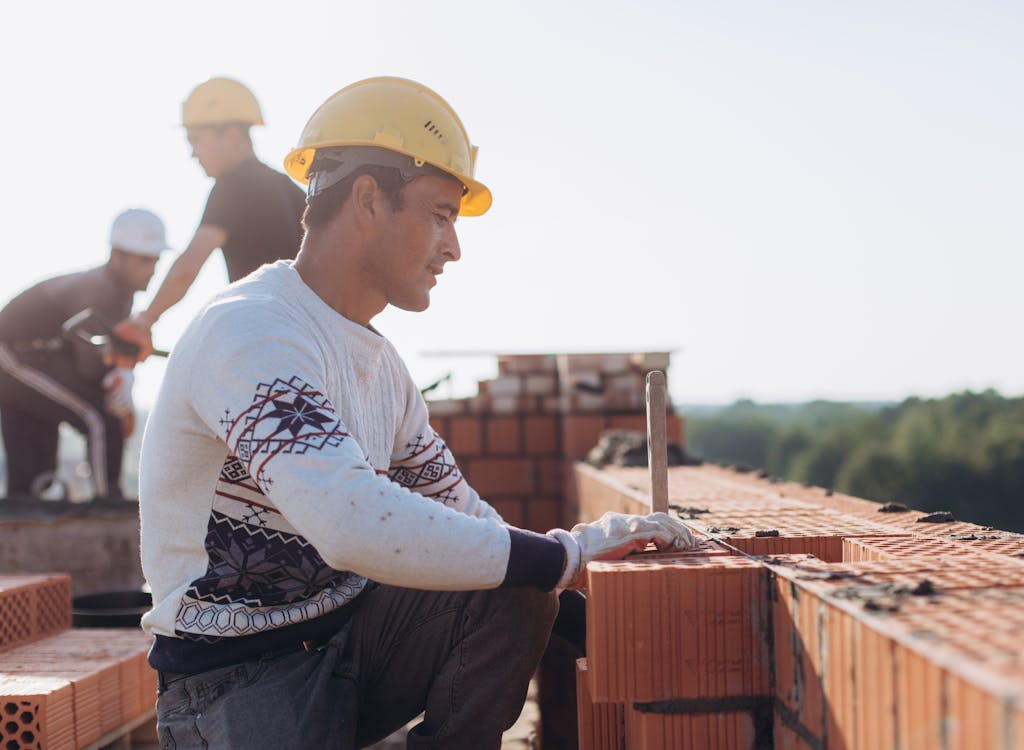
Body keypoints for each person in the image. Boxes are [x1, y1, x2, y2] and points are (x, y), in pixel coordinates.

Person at [139, 76, 695, 749]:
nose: (453, 247)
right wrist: (563, 555)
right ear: (369, 199)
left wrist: (583, 606)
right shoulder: (253, 332)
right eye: (439, 214)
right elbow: (349, 522)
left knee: (515, 585)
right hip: (238, 681)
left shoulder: (381, 367)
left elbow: (466, 523)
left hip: (348, 642)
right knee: (527, 569)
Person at [114, 77, 306, 360]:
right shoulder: (291, 190)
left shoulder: (232, 185)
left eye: (196, 140)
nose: (193, 153)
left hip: (269, 339)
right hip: (313, 338)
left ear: (231, 134)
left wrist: (145, 319)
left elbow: (187, 268)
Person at [0, 208, 167, 502]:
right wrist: (120, 384)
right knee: (98, 417)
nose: (152, 269)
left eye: (155, 260)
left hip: (43, 359)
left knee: (30, 480)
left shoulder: (122, 296)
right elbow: (90, 366)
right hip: (12, 357)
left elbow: (99, 359)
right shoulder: (96, 289)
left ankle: (28, 508)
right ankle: (108, 500)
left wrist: (121, 378)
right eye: (144, 260)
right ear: (118, 257)